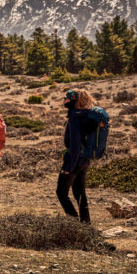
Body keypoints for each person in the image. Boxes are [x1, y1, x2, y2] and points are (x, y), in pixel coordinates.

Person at [58, 89, 97, 223]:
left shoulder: (75, 117)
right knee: (80, 194)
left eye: (66, 98)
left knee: (61, 193)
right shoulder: (87, 116)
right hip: (85, 160)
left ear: (74, 100)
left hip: (74, 159)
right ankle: (86, 224)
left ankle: (74, 222)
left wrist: (69, 166)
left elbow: (75, 145)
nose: (64, 101)